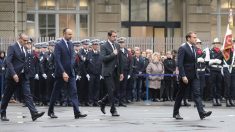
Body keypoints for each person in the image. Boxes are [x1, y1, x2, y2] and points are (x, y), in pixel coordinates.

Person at [0, 33, 45, 121]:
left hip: (23, 76)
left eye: (27, 40)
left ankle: (34, 113)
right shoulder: (12, 47)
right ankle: (3, 112)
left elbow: (25, 62)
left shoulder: (24, 48)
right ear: (19, 39)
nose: (26, 42)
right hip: (13, 77)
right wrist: (13, 74)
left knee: (28, 94)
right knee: (7, 95)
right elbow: (8, 62)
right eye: (24, 40)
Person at [47, 28, 87, 119]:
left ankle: (77, 112)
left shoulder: (71, 44)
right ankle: (50, 111)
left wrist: (72, 69)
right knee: (55, 93)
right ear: (64, 34)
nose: (71, 36)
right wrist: (63, 72)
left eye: (71, 34)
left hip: (71, 73)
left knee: (74, 92)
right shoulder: (58, 45)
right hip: (61, 73)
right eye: (69, 34)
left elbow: (72, 57)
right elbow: (57, 60)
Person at [173, 32, 212, 120]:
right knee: (180, 95)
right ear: (188, 38)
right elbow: (180, 64)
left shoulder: (194, 48)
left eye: (196, 37)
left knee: (197, 94)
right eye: (194, 37)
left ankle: (202, 113)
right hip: (185, 76)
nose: (196, 39)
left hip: (194, 75)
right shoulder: (183, 48)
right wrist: (183, 76)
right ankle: (175, 113)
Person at [98, 30, 124, 116]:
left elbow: (119, 60)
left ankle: (103, 101)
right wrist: (113, 54)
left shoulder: (117, 45)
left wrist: (121, 72)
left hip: (116, 71)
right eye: (113, 36)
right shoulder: (103, 46)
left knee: (115, 90)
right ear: (108, 36)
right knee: (111, 90)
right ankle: (113, 110)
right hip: (108, 71)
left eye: (116, 36)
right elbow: (103, 59)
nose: (115, 38)